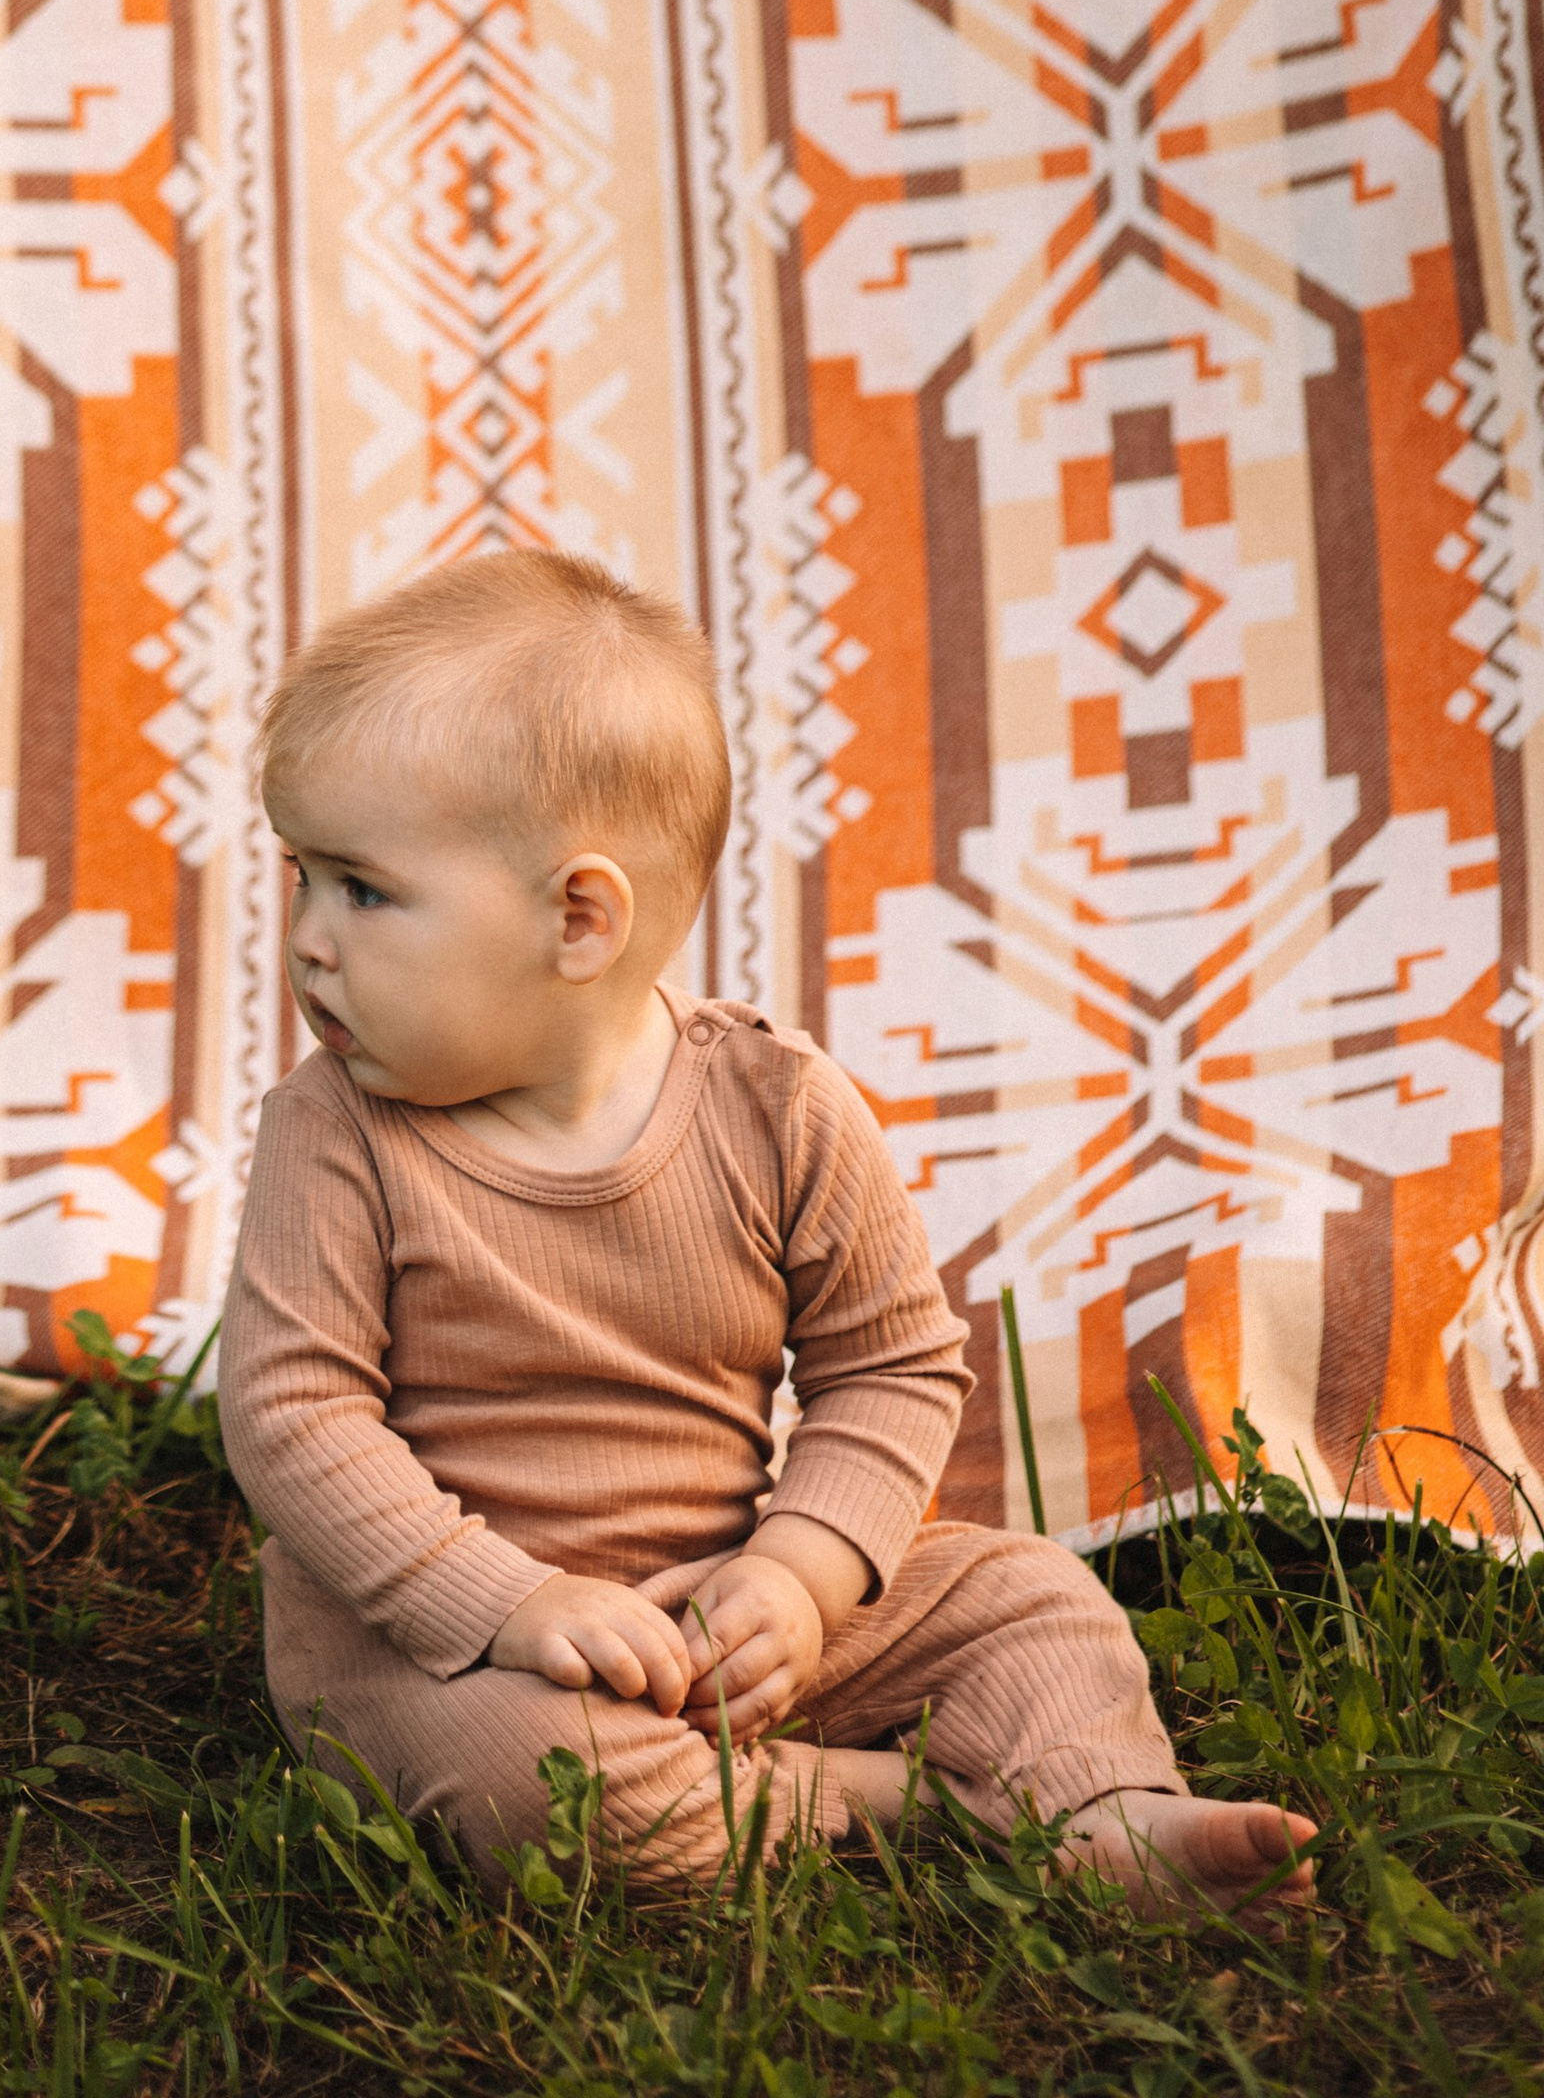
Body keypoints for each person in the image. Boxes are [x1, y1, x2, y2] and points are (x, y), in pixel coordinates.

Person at [216, 550, 1316, 1910]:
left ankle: (1110, 1813)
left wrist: (796, 1575)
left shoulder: (778, 1106)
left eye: (361, 889)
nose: (309, 939)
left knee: (1033, 1599)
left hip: (723, 1591)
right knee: (546, 1792)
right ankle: (882, 1800)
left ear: (578, 918)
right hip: (440, 1636)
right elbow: (296, 1418)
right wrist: (509, 1606)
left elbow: (890, 1368)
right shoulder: (335, 1137)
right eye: (300, 879)